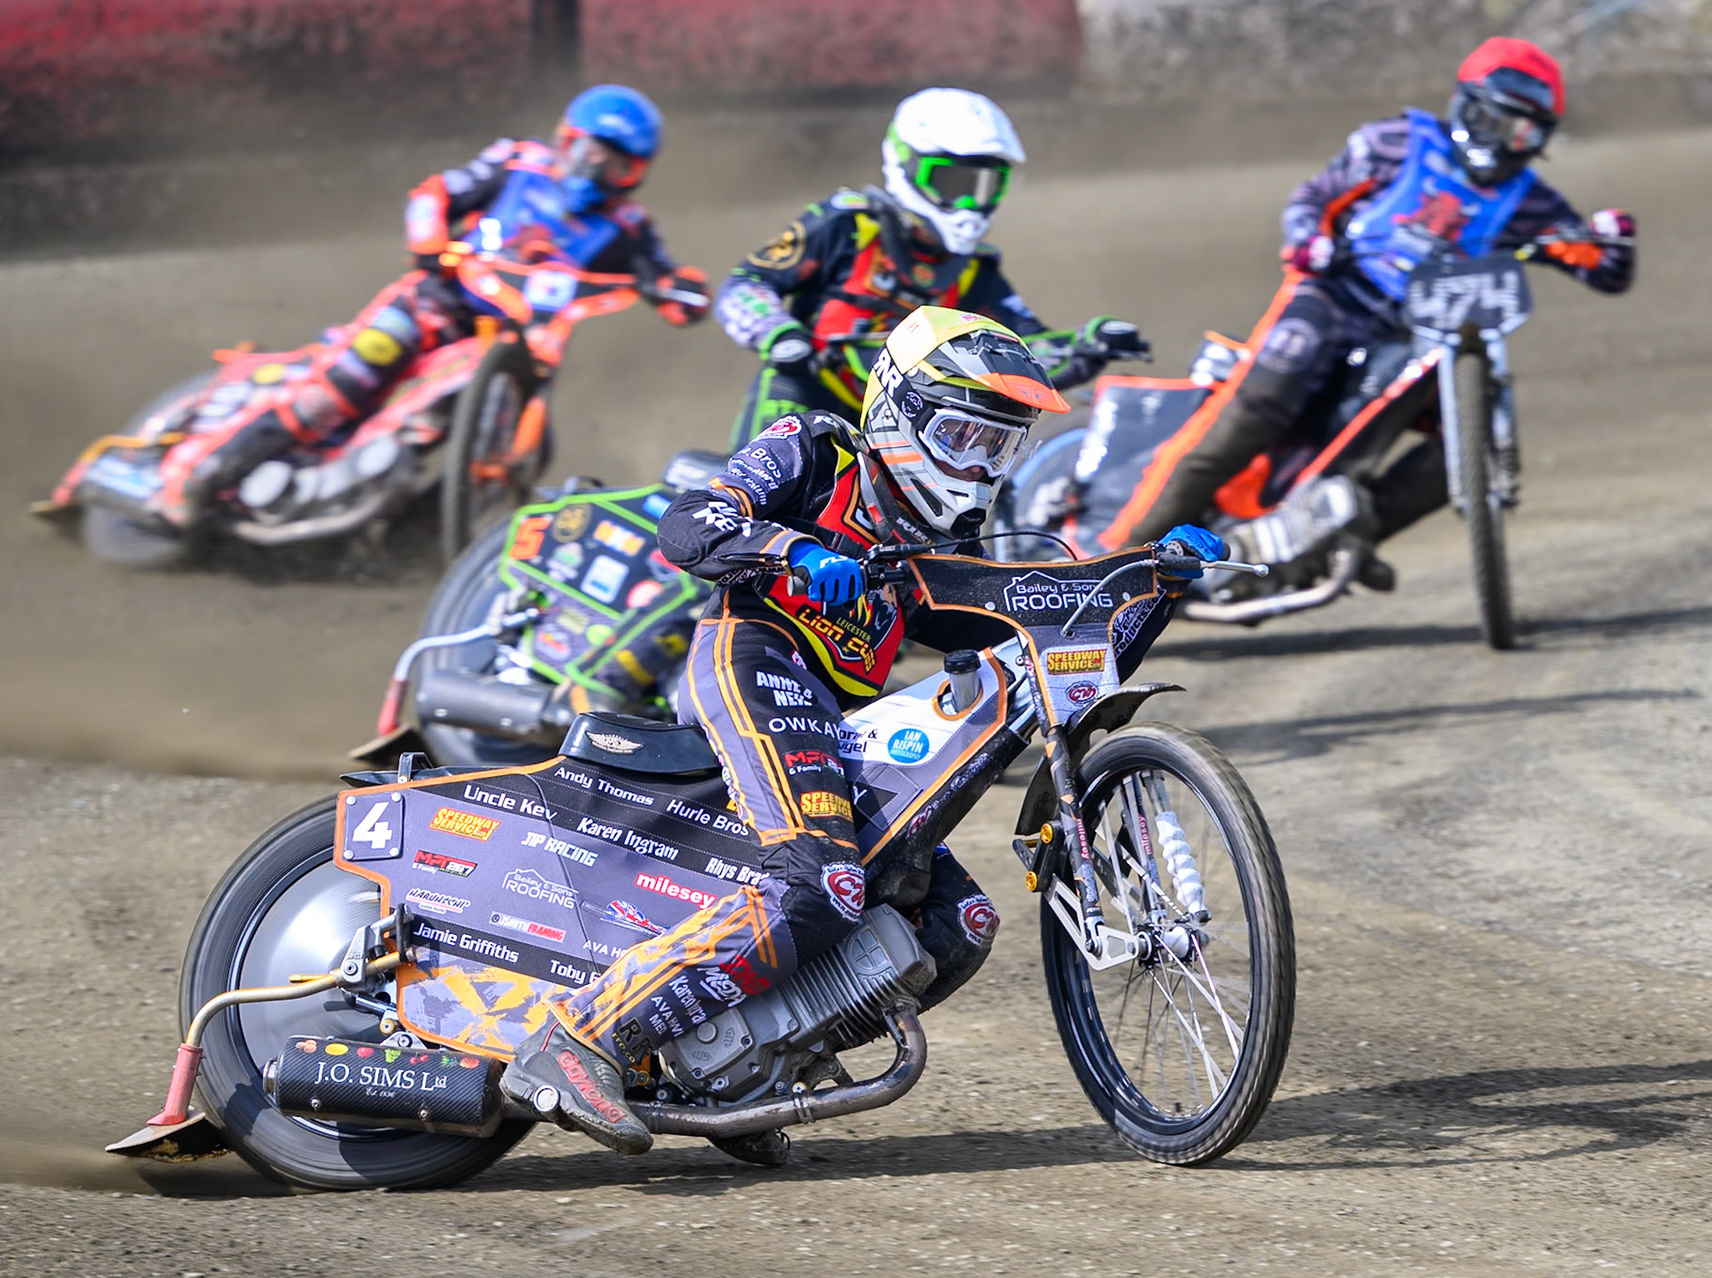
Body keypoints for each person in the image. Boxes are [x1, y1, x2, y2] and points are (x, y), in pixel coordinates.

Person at [498, 306, 1223, 1163]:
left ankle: (751, 1073)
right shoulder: (815, 446)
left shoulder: (935, 545)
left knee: (960, 923)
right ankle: (579, 1040)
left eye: (1000, 446)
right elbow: (691, 523)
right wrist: (795, 554)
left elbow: (1051, 620)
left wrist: (1151, 579)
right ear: (900, 410)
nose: (979, 464)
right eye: (963, 434)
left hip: (834, 719)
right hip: (751, 655)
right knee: (819, 881)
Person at [1122, 37, 1636, 552]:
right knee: (1252, 410)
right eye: (1495, 122)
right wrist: (1310, 241)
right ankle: (1124, 554)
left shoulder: (1532, 202)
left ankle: (1344, 540)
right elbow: (1313, 198)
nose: (1505, 143)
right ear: (1465, 106)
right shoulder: (1392, 142)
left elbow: (1604, 270)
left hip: (1422, 339)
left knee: (1467, 449)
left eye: (1524, 133)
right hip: (1336, 295)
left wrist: (1613, 236)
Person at [157, 84, 709, 527]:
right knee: (343, 383)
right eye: (590, 152)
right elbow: (435, 192)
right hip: (436, 300)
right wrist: (427, 242)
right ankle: (199, 471)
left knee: (459, 425)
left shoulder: (629, 227)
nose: (596, 171)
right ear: (567, 139)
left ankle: (402, 521)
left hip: (513, 341)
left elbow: (667, 279)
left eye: (616, 165)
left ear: (637, 172)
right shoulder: (518, 162)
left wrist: (683, 293)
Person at [714, 86, 1146, 450]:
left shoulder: (973, 269)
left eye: (984, 186)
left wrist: (1087, 343)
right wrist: (779, 334)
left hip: (904, 423)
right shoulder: (847, 224)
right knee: (764, 509)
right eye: (952, 183)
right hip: (808, 391)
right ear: (903, 165)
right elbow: (745, 284)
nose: (968, 204)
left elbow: (1022, 348)